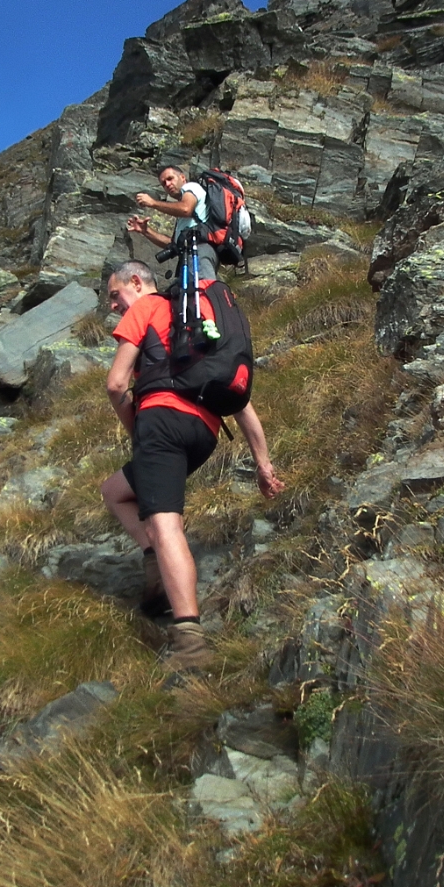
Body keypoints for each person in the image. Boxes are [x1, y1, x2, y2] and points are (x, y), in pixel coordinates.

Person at [98, 259, 283, 672]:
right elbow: (240, 404)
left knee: (165, 524)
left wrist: (138, 431)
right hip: (203, 435)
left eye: (115, 296)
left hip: (161, 425)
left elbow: (115, 384)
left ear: (136, 282)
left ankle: (190, 641)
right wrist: (263, 465)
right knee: (115, 491)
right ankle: (155, 567)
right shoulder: (193, 319)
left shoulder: (145, 309)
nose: (114, 306)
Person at [127, 163, 219, 283]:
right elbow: (172, 243)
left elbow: (186, 208)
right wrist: (146, 231)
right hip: (189, 255)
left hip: (198, 251)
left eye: (170, 179)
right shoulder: (185, 220)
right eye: (164, 184)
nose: (168, 184)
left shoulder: (192, 187)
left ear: (182, 177)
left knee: (203, 291)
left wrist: (153, 203)